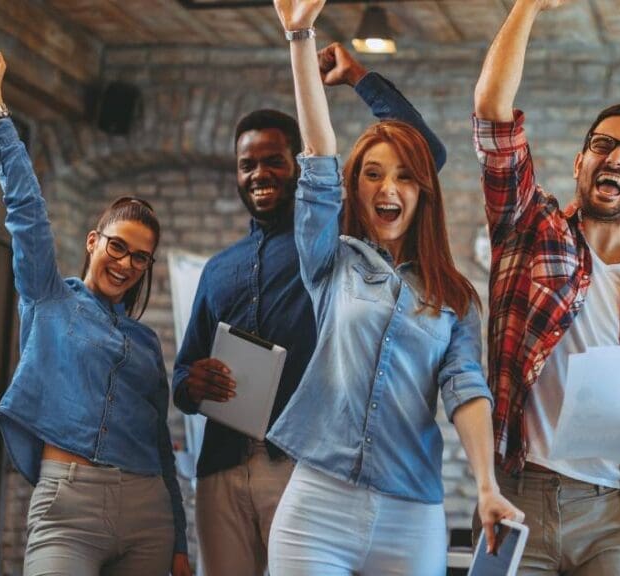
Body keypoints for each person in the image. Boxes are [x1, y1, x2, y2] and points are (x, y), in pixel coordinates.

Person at [264, 0, 522, 574]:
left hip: (411, 512)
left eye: (405, 176)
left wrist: (485, 485)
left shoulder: (454, 298)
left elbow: (466, 388)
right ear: (355, 189)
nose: (390, 187)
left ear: (423, 191)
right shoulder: (331, 262)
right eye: (373, 174)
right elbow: (318, 154)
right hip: (318, 503)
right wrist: (300, 37)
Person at [171, 42, 447, 575]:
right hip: (220, 468)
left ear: (299, 164)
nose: (259, 174)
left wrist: (360, 78)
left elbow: (425, 155)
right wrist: (192, 383)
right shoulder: (217, 269)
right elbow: (183, 375)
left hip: (298, 468)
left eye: (274, 161)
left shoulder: (334, 240)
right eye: (247, 164)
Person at [472, 0, 620, 573]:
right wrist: (527, 7)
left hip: (617, 512)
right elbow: (493, 112)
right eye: (602, 144)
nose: (614, 157)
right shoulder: (528, 231)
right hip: (519, 494)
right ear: (579, 162)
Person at [0, 52, 189, 576]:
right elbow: (26, 210)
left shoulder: (143, 343)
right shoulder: (50, 298)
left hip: (147, 511)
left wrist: (179, 539)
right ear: (93, 241)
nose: (126, 263)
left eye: (141, 257)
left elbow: (160, 442)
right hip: (68, 505)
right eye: (117, 247)